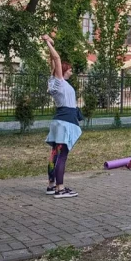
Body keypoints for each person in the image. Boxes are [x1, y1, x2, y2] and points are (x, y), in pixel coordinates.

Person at [42, 34, 82, 199]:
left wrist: (49, 44)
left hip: (59, 121)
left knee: (54, 154)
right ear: (64, 71)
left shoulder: (54, 82)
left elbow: (52, 61)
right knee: (62, 155)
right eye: (70, 69)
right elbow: (56, 59)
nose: (72, 71)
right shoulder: (59, 81)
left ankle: (51, 185)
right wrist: (48, 43)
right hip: (65, 121)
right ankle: (60, 188)